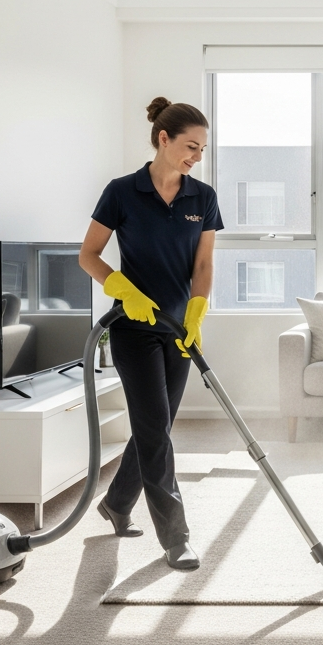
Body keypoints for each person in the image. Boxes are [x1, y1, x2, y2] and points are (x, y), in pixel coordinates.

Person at [79, 97, 222, 569]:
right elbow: (89, 255)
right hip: (134, 328)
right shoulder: (122, 192)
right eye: (190, 146)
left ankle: (117, 503)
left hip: (180, 331)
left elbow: (203, 265)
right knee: (156, 431)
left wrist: (196, 314)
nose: (196, 156)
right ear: (163, 139)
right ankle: (176, 538)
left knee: (153, 429)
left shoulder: (203, 197)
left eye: (201, 150)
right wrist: (123, 289)